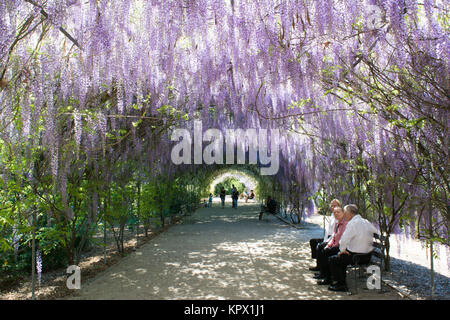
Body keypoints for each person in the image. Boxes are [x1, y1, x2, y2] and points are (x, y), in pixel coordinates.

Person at [326, 204, 378, 292]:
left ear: (350, 214)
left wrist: (342, 250)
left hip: (357, 257)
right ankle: (339, 283)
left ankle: (341, 285)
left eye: (345, 213)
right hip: (368, 256)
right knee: (340, 257)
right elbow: (375, 231)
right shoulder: (366, 221)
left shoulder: (352, 224)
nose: (344, 215)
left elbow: (343, 241)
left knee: (334, 259)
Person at [314, 207, 348, 284]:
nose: (336, 214)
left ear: (343, 213)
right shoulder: (337, 223)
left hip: (341, 247)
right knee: (324, 249)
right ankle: (324, 274)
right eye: (334, 212)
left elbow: (343, 239)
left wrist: (333, 246)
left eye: (338, 212)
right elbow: (333, 237)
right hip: (335, 245)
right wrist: (329, 245)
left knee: (326, 253)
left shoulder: (345, 224)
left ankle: (328, 278)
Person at [308, 199, 341, 271]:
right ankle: (319, 262)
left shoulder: (338, 216)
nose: (332, 207)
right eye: (331, 206)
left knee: (320, 246)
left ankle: (321, 267)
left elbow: (336, 234)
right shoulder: (332, 215)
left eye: (335, 206)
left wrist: (327, 242)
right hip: (327, 237)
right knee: (313, 242)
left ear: (339, 206)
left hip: (332, 239)